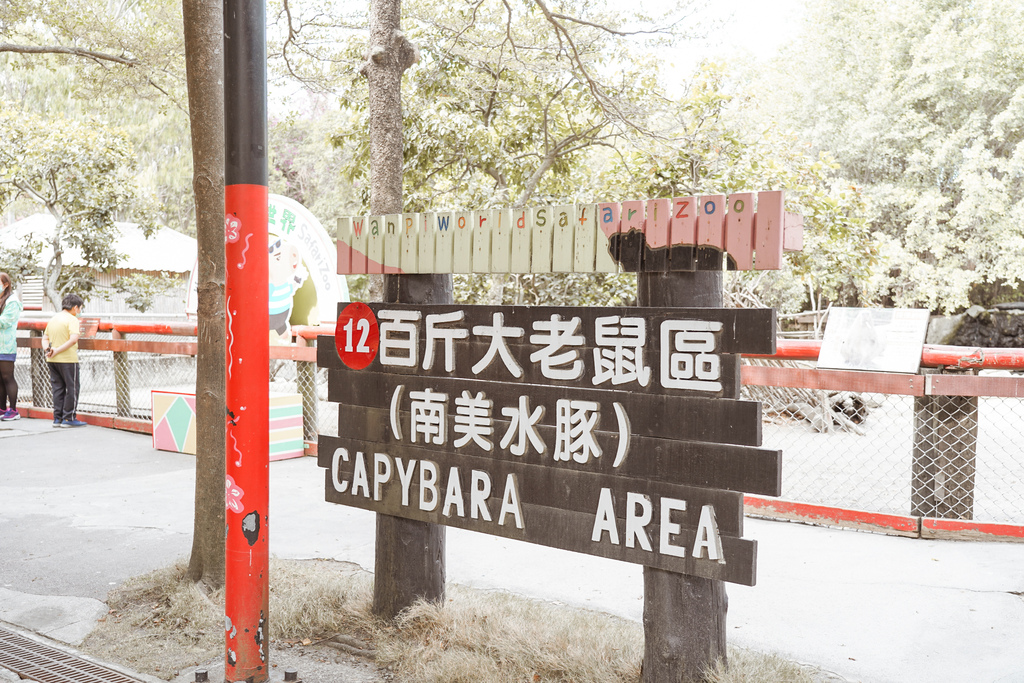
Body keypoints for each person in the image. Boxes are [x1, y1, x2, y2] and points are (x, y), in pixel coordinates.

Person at [43, 293, 87, 428]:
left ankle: (58, 418)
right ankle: (69, 418)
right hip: (68, 359)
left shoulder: (54, 319)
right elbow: (73, 339)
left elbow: (45, 338)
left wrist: (48, 350)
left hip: (52, 360)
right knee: (72, 388)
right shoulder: (72, 320)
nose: (79, 311)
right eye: (79, 308)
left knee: (58, 388)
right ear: (75, 307)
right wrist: (58, 350)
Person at [0, 273, 23, 421]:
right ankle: (2, 409)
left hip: (6, 345)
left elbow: (5, 321)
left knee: (8, 377)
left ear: (6, 284)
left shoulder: (13, 301)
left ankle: (13, 410)